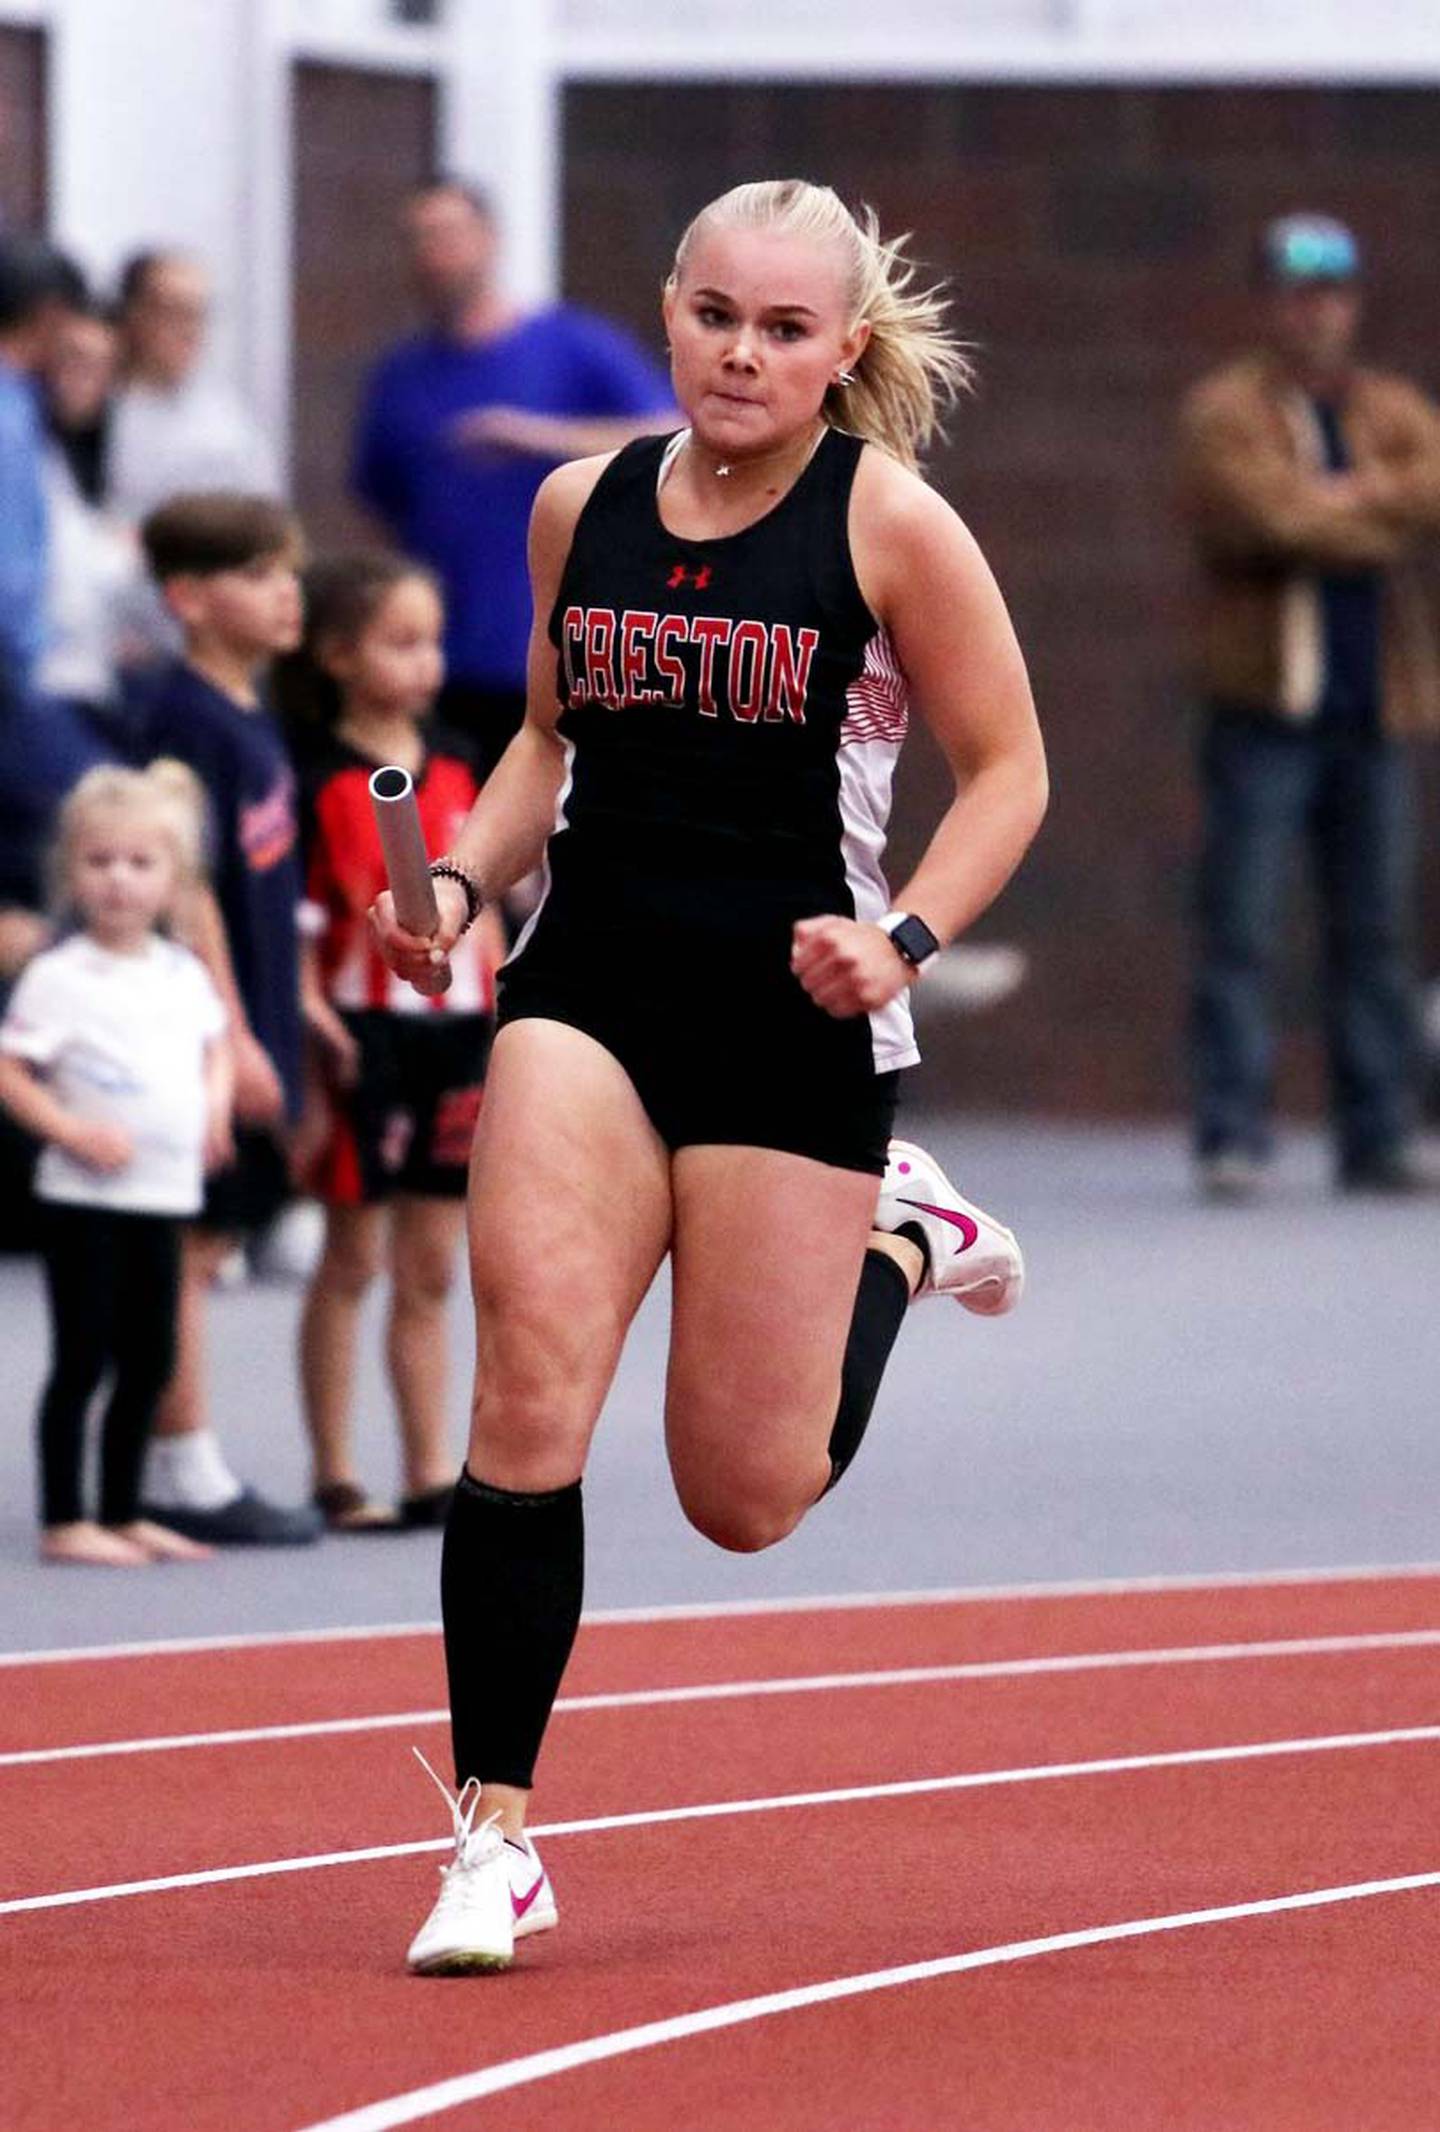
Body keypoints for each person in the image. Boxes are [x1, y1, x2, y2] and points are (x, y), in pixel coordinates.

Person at [370, 177, 1048, 1973]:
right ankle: (492, 1837)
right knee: (527, 1392)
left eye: (785, 328)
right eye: (716, 316)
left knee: (746, 1493)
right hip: (585, 991)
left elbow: (1010, 776)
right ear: (665, 312)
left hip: (794, 1017)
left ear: (843, 349)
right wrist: (455, 882)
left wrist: (898, 940)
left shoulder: (892, 527)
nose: (743, 354)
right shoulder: (573, 504)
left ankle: (903, 1239)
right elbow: (539, 741)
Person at [1179, 213, 1440, 1199]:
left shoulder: (1390, 406)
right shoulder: (1227, 409)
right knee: (1241, 922)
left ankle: (1376, 1130)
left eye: (1332, 292)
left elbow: (1432, 490)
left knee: (1377, 927)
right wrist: (1364, 508)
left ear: (1355, 302)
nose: (1317, 312)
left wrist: (1330, 502)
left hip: (1373, 710)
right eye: (1297, 292)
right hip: (1264, 709)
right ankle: (1230, 1129)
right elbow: (1258, 514)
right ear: (1270, 303)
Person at [275, 553, 505, 1532]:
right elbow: (292, 916)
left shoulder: (458, 760)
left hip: (457, 1033)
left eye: (432, 641)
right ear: (336, 655)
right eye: (399, 641)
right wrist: (310, 1028)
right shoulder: (314, 774)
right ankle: (334, 1467)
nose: (425, 661)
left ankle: (427, 1467)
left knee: (432, 1264)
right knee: (352, 1255)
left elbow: (490, 890)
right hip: (361, 1034)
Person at [129, 491, 321, 1545]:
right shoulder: (181, 721)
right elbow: (190, 886)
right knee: (191, 1248)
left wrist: (299, 1008)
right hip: (203, 1029)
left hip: (258, 1008)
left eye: (289, 571)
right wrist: (234, 1034)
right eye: (257, 575)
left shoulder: (252, 711)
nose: (286, 592)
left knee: (211, 1242)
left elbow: (263, 878)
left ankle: (165, 1448)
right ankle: (180, 1460)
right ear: (189, 599)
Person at [351, 176, 676, 778]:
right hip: (438, 672)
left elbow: (671, 435)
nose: (434, 254)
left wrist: (536, 437)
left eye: (448, 235)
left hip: (557, 660)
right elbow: (378, 505)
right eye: (418, 239)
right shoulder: (398, 376)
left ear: (489, 240)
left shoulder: (571, 345)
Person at [0, 762, 231, 1565]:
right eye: (100, 863)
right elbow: (10, 1070)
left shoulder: (183, 973)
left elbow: (216, 1049)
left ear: (175, 880)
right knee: (84, 1355)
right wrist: (67, 1129)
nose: (120, 881)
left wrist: (218, 1106)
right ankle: (68, 1517)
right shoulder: (60, 976)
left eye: (140, 864)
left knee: (151, 1357)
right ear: (72, 873)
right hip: (85, 1198)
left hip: (163, 1195)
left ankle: (125, 1506)